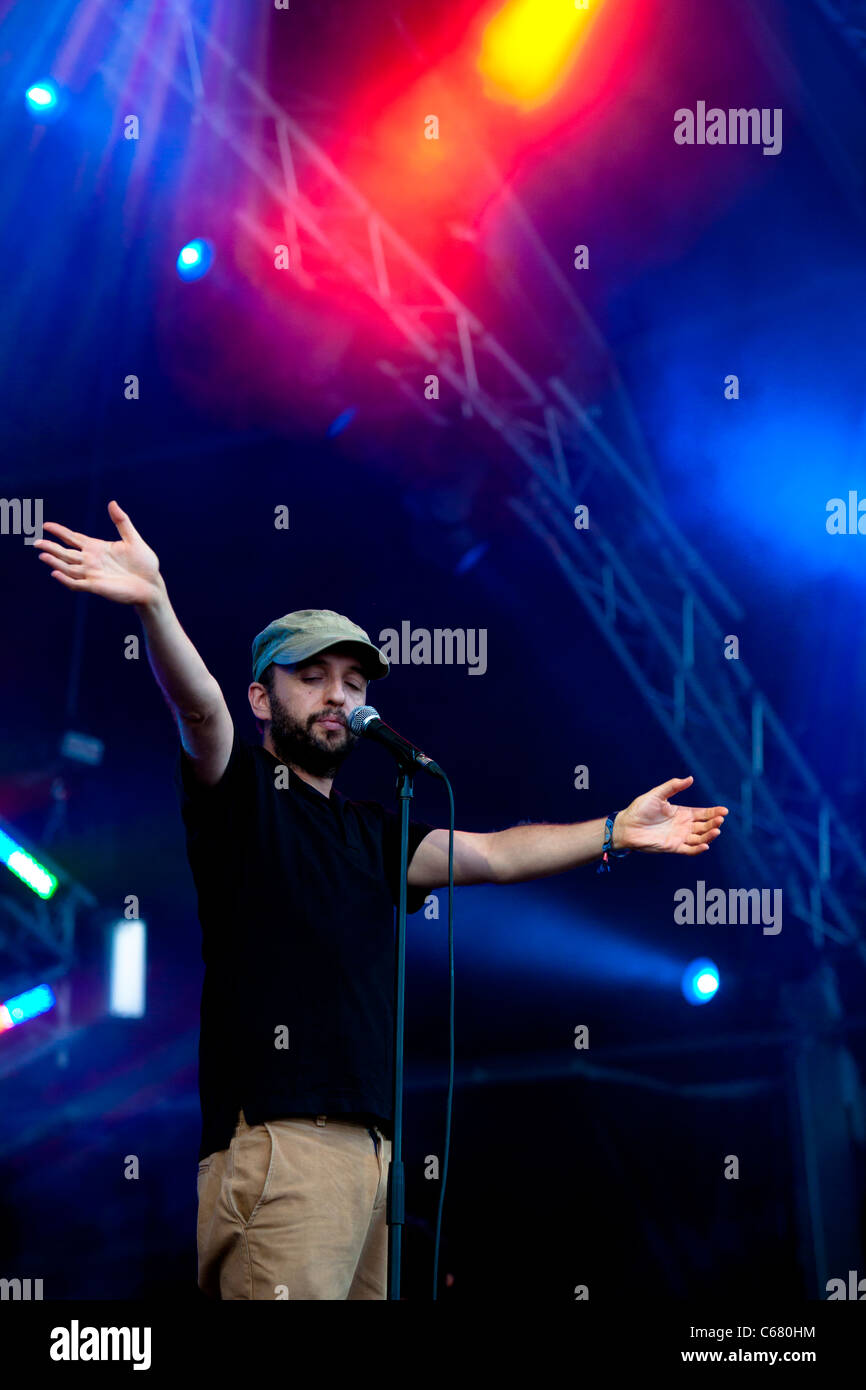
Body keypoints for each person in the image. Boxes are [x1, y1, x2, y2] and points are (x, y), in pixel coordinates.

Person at [33, 499, 729, 1300]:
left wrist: (615, 829)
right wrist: (155, 603)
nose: (339, 696)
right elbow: (200, 708)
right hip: (282, 1146)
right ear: (264, 698)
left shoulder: (376, 830)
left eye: (353, 682)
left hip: (374, 1156)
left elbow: (497, 856)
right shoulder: (244, 794)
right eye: (313, 677)